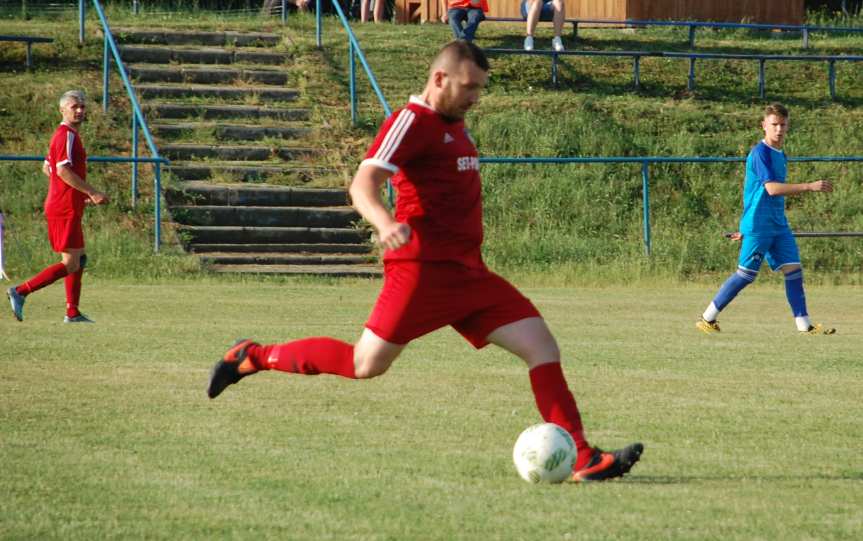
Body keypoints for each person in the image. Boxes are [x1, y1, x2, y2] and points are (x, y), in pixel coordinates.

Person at [207, 40, 643, 482]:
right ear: (440, 78)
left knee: (542, 347)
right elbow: (363, 184)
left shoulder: (456, 124)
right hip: (422, 273)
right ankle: (254, 356)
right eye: (470, 86)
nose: (475, 96)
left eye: (481, 88)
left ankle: (583, 458)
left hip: (470, 275)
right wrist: (384, 223)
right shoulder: (410, 121)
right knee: (365, 365)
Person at [696, 103, 835, 336]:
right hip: (759, 224)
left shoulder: (781, 155)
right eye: (774, 125)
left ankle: (805, 326)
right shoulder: (759, 153)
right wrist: (809, 186)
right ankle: (707, 318)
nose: (779, 129)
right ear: (764, 126)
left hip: (777, 224)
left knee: (794, 270)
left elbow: (755, 192)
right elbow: (770, 189)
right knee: (745, 275)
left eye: (783, 125)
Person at [6, 90, 108, 323]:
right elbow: (61, 170)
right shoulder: (66, 135)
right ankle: (20, 291)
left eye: (82, 106)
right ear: (62, 110)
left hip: (66, 204)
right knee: (71, 262)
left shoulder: (66, 135)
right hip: (63, 208)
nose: (80, 110)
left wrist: (72, 193)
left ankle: (72, 312)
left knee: (78, 259)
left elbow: (47, 167)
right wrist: (90, 191)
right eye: (74, 106)